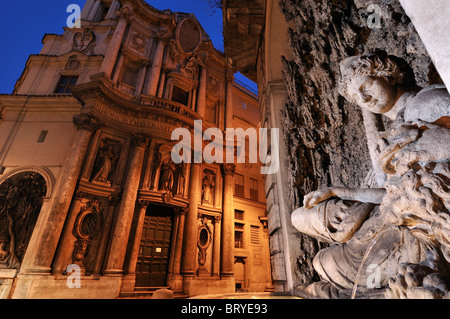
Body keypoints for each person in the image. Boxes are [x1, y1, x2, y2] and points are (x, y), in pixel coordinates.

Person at [292, 51, 450, 299]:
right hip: (400, 216)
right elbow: (393, 193)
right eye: (357, 98)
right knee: (318, 251)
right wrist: (338, 192)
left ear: (388, 74)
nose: (365, 99)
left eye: (366, 86)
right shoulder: (397, 125)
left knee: (328, 263)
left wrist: (415, 147)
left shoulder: (425, 102)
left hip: (422, 225)